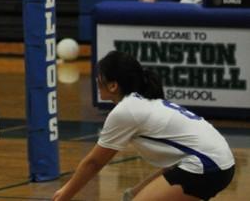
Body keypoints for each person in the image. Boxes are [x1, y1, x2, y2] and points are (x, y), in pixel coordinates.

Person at [52, 50, 235, 201]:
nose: (96, 79)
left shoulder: (126, 111)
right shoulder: (141, 103)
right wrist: (139, 190)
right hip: (219, 163)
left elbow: (94, 163)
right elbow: (178, 159)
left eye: (100, 76)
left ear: (113, 85)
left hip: (208, 166)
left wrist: (65, 195)